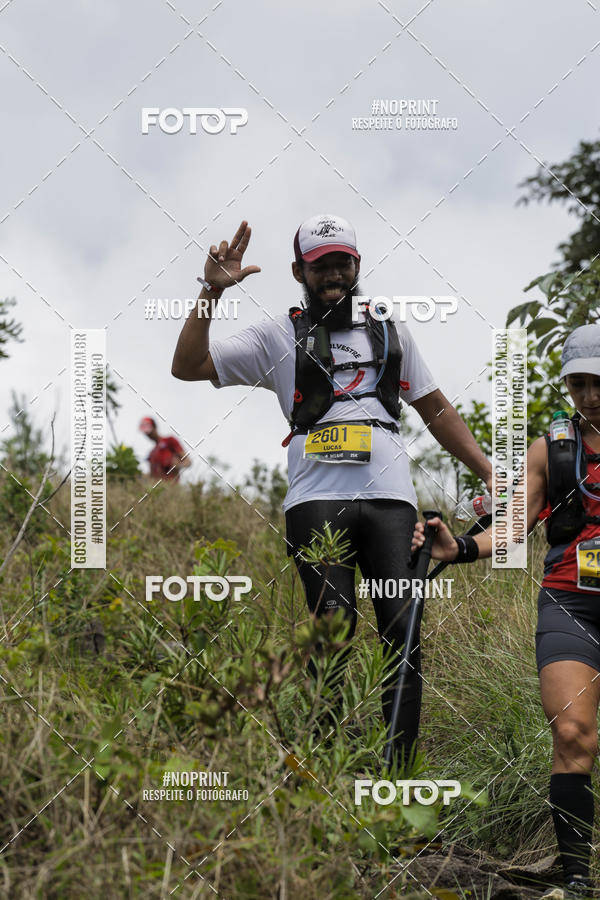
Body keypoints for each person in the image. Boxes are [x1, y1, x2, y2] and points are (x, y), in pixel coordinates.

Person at [172, 215, 492, 765]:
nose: (334, 274)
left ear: (357, 265)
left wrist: (490, 473)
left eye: (343, 262)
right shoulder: (276, 333)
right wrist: (210, 291)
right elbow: (188, 366)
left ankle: (397, 777)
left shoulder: (391, 330)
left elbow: (435, 408)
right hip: (316, 503)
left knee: (401, 630)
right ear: (300, 270)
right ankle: (322, 774)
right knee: (332, 632)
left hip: (393, 503)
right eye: (321, 266)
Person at [411, 323, 600, 899]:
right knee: (572, 732)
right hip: (571, 604)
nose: (590, 396)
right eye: (579, 383)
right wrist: (461, 547)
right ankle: (575, 881)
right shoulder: (553, 450)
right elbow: (515, 523)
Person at [139, 416, 190, 481]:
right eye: (146, 433)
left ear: (155, 427)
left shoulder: (169, 441)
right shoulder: (151, 454)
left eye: (149, 431)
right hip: (158, 488)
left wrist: (177, 466)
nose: (148, 435)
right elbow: (152, 476)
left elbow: (188, 461)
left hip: (172, 486)